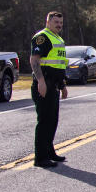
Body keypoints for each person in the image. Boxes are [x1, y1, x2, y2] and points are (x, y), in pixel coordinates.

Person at [30, 11, 69, 168]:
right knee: (44, 121)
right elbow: (34, 61)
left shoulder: (58, 39)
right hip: (44, 84)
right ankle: (40, 158)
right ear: (48, 22)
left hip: (54, 86)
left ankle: (49, 151)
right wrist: (41, 82)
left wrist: (63, 86)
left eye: (60, 23)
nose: (59, 25)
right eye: (56, 22)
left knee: (52, 121)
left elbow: (58, 65)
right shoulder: (42, 37)